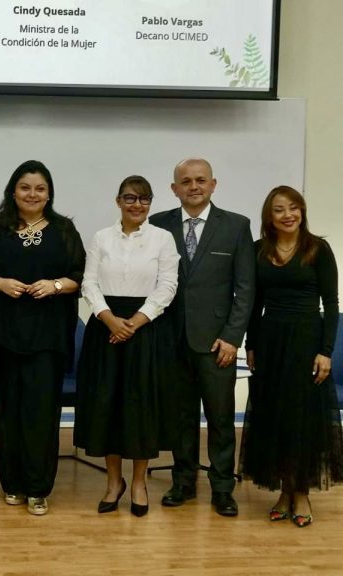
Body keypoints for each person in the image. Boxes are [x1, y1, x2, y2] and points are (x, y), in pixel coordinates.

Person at [149, 158, 255, 517]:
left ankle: (223, 488)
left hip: (216, 343)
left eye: (200, 180)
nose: (193, 186)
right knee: (181, 417)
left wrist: (232, 338)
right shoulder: (158, 224)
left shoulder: (236, 226)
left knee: (221, 419)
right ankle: (183, 482)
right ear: (174, 188)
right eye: (185, 181)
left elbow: (245, 289)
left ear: (213, 184)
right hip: (171, 340)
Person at [0, 160, 85, 516]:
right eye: (25, 187)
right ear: (13, 191)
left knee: (41, 412)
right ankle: (13, 484)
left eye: (40, 189)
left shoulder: (64, 229)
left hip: (47, 336)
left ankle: (39, 488)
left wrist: (54, 285)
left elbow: (79, 276)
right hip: (4, 332)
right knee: (8, 409)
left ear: (49, 194)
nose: (32, 194)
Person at [74, 175, 179, 517]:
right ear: (118, 201)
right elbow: (89, 283)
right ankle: (113, 482)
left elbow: (167, 286)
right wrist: (110, 320)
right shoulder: (101, 238)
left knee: (140, 408)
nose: (137, 204)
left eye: (144, 199)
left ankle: (138, 483)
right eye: (130, 198)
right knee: (107, 406)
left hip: (145, 329)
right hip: (105, 328)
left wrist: (133, 323)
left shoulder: (163, 239)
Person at [240, 185, 343, 527]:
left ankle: (301, 493)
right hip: (270, 342)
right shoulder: (258, 250)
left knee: (301, 419)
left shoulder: (318, 248)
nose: (288, 215)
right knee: (275, 416)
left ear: (302, 211)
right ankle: (284, 491)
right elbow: (254, 304)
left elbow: (331, 304)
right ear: (269, 217)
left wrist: (325, 352)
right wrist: (251, 344)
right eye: (279, 209)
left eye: (294, 207)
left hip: (306, 340)